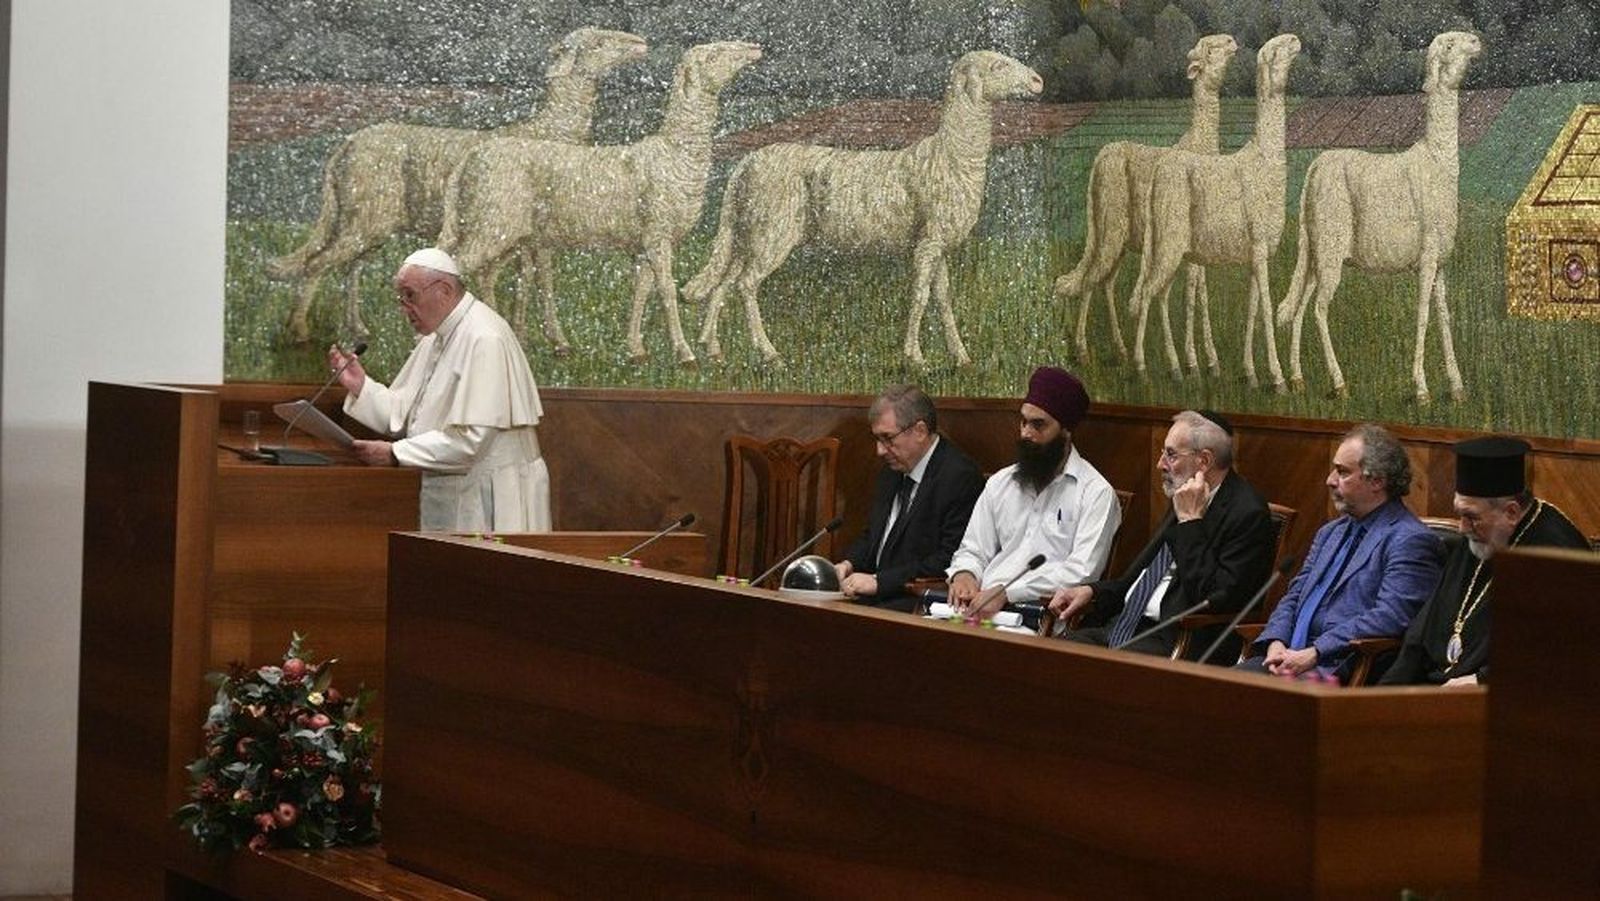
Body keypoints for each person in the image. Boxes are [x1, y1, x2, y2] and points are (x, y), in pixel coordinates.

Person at [329, 247, 550, 532]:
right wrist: (361, 386)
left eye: (410, 296)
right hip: (455, 490)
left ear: (444, 290)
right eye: (401, 298)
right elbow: (407, 416)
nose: (404, 307)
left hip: (490, 494)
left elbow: (471, 441)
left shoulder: (485, 337)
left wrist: (396, 453)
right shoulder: (437, 337)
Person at [1050, 410, 1275, 658]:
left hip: (1179, 640)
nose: (1160, 464)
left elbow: (1215, 598)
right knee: (1051, 653)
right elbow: (1138, 579)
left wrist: (1190, 522)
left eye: (1171, 455)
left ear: (1204, 461)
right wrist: (1092, 591)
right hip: (1126, 627)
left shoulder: (1247, 513)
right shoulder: (1184, 494)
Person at [1239, 423, 1442, 681]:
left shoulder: (1410, 540)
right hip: (1289, 658)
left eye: (1343, 472)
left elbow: (1390, 616)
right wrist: (1276, 641)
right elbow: (1295, 595)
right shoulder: (1331, 532)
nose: (1330, 480)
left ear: (1377, 481)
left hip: (1338, 666)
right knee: (1217, 689)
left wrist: (1316, 651)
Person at [1380, 436, 1589, 686]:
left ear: (1511, 512)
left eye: (1471, 517)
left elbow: (1559, 653)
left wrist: (1480, 681)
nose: (1462, 528)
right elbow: (1421, 634)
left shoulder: (1558, 552)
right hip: (1440, 692)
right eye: (1460, 514)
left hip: (1502, 697)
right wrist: (1384, 695)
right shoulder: (1478, 540)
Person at [946, 366, 1121, 614]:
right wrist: (965, 574)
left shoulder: (1095, 493)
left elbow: (1081, 573)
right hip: (976, 607)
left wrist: (1007, 593)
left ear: (1066, 430)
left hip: (1038, 616)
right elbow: (973, 549)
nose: (1026, 433)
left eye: (1038, 425)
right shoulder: (1000, 482)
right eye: (1023, 422)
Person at [833, 386, 984, 612]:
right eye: (877, 439)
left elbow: (949, 558)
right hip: (878, 595)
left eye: (887, 438)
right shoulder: (891, 471)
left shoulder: (959, 476)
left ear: (920, 431)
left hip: (916, 598)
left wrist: (880, 582)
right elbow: (873, 535)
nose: (880, 450)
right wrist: (848, 564)